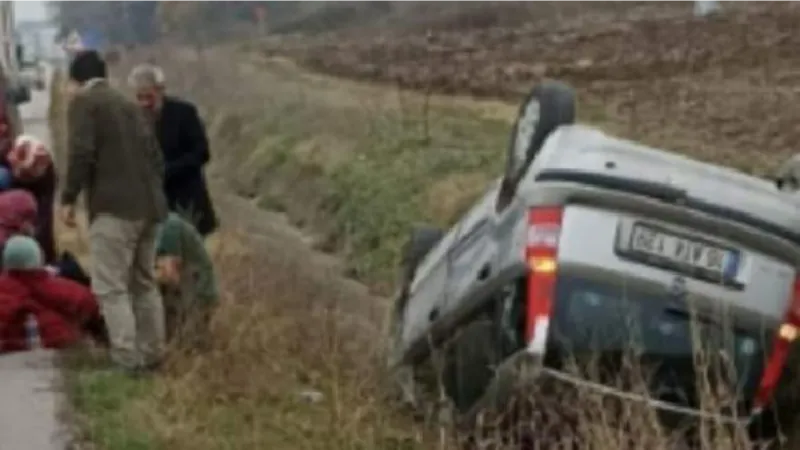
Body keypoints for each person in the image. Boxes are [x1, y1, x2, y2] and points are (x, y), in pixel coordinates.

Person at [60, 50, 168, 374]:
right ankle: (152, 353)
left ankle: (125, 359)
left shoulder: (85, 103)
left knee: (110, 287)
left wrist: (68, 197)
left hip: (113, 209)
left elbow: (82, 152)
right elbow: (156, 158)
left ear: (77, 79)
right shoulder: (129, 104)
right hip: (150, 207)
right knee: (144, 283)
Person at [128, 63, 218, 237]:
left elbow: (201, 153)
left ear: (160, 90)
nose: (144, 103)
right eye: (139, 98)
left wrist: (168, 170)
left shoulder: (184, 113)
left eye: (149, 97)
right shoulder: (133, 120)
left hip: (186, 204)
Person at [0, 236, 107, 352]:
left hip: (12, 349)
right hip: (61, 345)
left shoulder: (4, 289)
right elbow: (93, 306)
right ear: (39, 258)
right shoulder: (66, 289)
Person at [155, 212, 219, 349]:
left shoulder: (168, 227)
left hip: (196, 296)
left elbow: (170, 275)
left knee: (186, 348)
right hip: (184, 293)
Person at [3, 135, 58, 263]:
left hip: (39, 174)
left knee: (42, 224)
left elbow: (44, 216)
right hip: (18, 170)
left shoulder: (42, 164)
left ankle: (45, 258)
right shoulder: (11, 163)